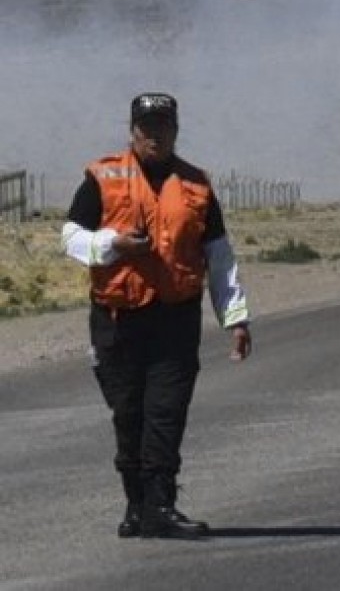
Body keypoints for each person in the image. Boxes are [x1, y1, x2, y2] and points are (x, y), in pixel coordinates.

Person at [61, 93, 252, 540]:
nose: (155, 135)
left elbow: (219, 257)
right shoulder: (103, 177)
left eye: (163, 126)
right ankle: (137, 506)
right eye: (147, 127)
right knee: (128, 413)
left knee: (165, 412)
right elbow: (70, 237)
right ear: (132, 131)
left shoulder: (196, 185)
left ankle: (161, 505)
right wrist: (111, 244)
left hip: (175, 317)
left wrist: (236, 318)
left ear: (176, 131)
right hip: (117, 318)